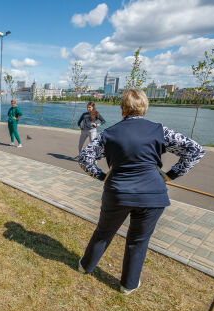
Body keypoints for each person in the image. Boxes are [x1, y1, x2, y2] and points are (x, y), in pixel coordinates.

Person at [77, 88, 205, 295]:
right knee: (138, 240)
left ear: (122, 110)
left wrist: (102, 176)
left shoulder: (108, 133)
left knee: (104, 232)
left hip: (118, 193)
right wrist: (171, 175)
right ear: (145, 108)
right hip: (153, 195)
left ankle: (85, 266)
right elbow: (196, 150)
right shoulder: (159, 130)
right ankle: (128, 284)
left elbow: (84, 158)